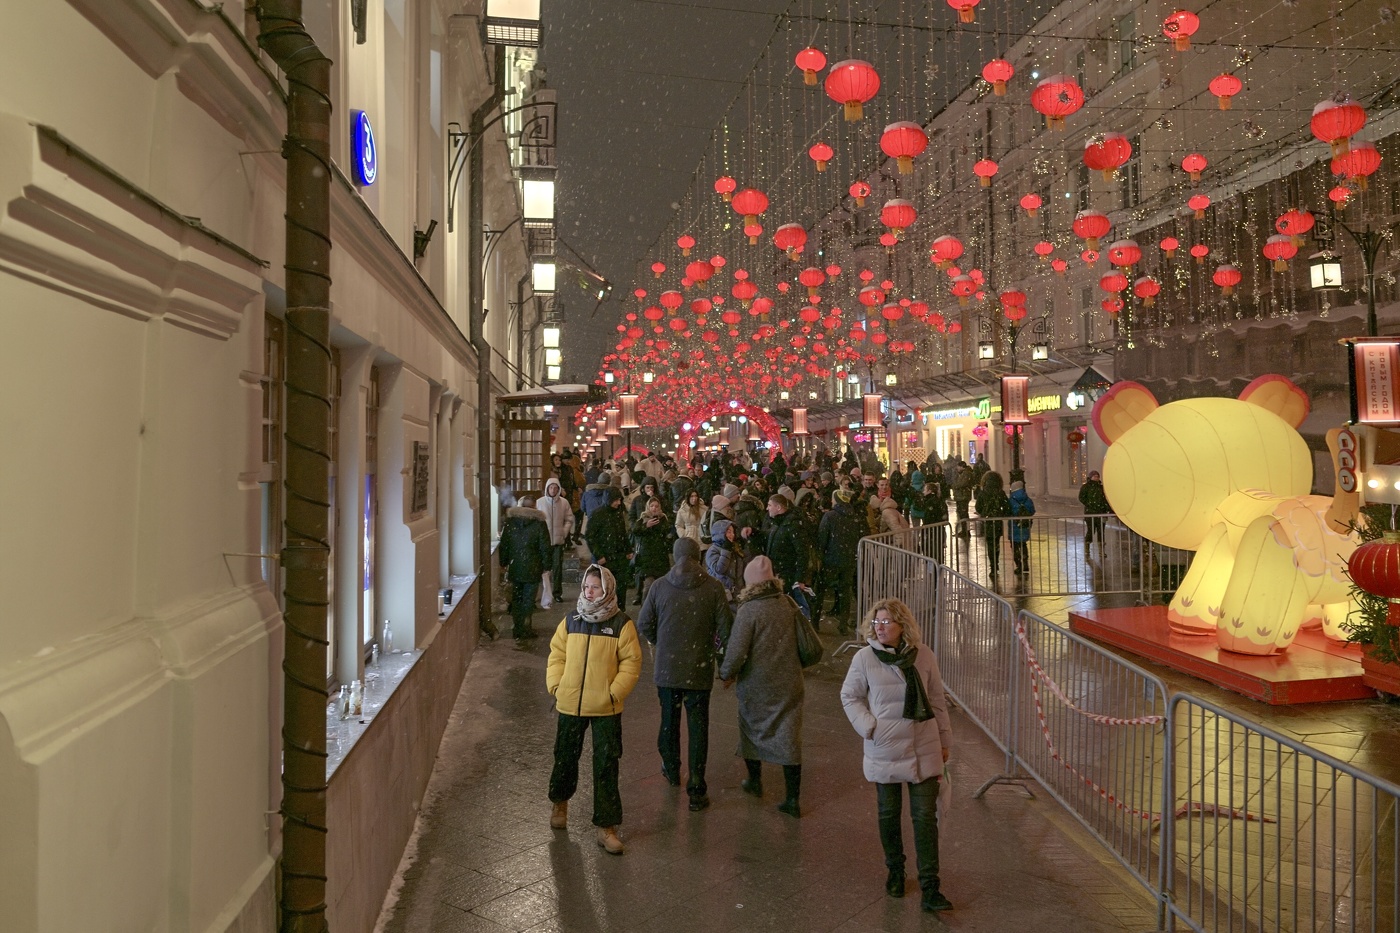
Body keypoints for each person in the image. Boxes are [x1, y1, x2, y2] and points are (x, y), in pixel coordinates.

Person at [840, 598, 954, 913]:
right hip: (885, 747)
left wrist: (945, 739)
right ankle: (896, 871)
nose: (880, 627)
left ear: (903, 625)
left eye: (887, 621)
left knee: (924, 818)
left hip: (923, 747)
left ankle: (931, 887)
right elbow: (849, 696)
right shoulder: (864, 658)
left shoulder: (924, 656)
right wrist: (868, 726)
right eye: (876, 622)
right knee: (888, 815)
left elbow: (936, 700)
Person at [546, 564, 643, 854]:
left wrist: (613, 693)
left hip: (606, 708)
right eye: (587, 586)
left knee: (606, 766)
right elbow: (557, 655)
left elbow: (631, 663)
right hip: (570, 703)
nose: (589, 591)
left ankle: (606, 826)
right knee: (564, 757)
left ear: (607, 590)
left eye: (595, 587)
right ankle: (559, 804)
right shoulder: (570, 621)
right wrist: (556, 686)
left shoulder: (622, 624)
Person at [637, 538, 734, 812]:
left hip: (667, 669)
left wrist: (664, 641)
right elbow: (726, 630)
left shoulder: (659, 586)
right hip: (698, 669)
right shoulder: (713, 588)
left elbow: (644, 623)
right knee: (698, 728)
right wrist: (723, 662)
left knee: (668, 721)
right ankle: (697, 788)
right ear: (697, 557)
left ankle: (671, 767)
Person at [718, 556, 806, 818]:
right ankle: (792, 798)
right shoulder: (787, 603)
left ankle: (754, 781)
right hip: (789, 681)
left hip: (757, 684)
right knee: (789, 737)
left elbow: (736, 651)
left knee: (751, 730)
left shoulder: (749, 610)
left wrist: (726, 673)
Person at [498, 496, 552, 647]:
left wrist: (503, 563)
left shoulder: (510, 523)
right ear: (534, 507)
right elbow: (545, 546)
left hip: (515, 567)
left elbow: (504, 544)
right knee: (528, 600)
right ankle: (526, 628)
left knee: (516, 599)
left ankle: (517, 627)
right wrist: (547, 565)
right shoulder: (539, 524)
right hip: (533, 567)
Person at [816, 487, 865, 633]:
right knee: (845, 591)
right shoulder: (854, 516)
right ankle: (843, 625)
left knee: (820, 590)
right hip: (848, 559)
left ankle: (815, 623)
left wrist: (821, 556)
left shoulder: (830, 516)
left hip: (831, 559)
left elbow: (822, 539)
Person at [585, 486, 633, 607]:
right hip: (605, 559)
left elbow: (623, 533)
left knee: (620, 587)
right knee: (605, 588)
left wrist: (628, 550)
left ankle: (620, 611)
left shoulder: (617, 514)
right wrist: (599, 555)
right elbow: (590, 537)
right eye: (616, 500)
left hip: (619, 557)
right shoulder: (597, 514)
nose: (619, 503)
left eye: (619, 500)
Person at [538, 477, 575, 605]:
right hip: (543, 542)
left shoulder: (564, 503)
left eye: (555, 487)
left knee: (557, 567)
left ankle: (557, 593)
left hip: (558, 541)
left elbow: (569, 519)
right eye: (551, 487)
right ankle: (542, 593)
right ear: (547, 488)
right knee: (542, 568)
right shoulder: (540, 503)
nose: (553, 490)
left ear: (559, 489)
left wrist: (564, 532)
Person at [975, 471, 1011, 580]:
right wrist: (1001, 514)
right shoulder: (1000, 492)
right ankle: (996, 564)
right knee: (996, 544)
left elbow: (978, 507)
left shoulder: (983, 492)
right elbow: (1006, 507)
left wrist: (984, 513)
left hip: (988, 522)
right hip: (997, 522)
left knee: (990, 544)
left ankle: (993, 566)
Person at [705, 519, 745, 602]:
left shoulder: (733, 548)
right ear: (720, 533)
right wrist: (726, 550)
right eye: (729, 532)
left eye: (733, 532)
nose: (732, 535)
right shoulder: (713, 550)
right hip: (723, 592)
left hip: (736, 591)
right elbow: (718, 569)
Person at [1008, 480, 1036, 576]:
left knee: (1015, 546)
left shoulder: (1011, 500)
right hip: (1024, 526)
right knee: (1023, 544)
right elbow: (1032, 511)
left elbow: (1008, 511)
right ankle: (1025, 563)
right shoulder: (1027, 499)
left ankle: (1019, 565)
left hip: (1014, 526)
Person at [1079, 469, 1111, 545]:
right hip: (1090, 513)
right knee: (1091, 530)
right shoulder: (1086, 487)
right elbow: (1081, 498)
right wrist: (1090, 504)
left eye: (1097, 476)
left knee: (1101, 531)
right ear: (1091, 477)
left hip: (1101, 513)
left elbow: (1105, 499)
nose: (1096, 478)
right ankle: (1087, 545)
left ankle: (1101, 548)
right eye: (1095, 476)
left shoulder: (1101, 487)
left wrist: (1107, 509)